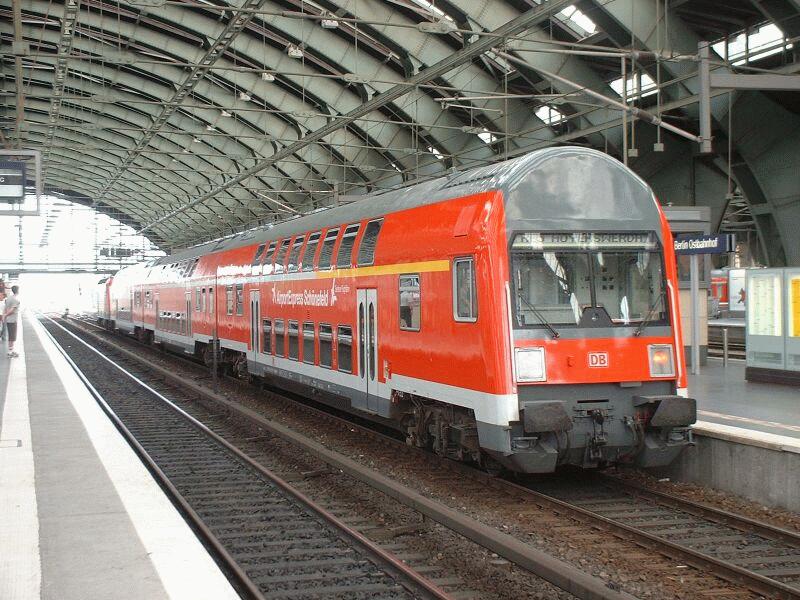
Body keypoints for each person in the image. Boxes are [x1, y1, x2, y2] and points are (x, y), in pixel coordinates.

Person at [4, 285, 20, 358]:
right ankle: (10, 352)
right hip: (12, 320)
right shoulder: (15, 300)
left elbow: (5, 308)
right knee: (12, 336)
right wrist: (6, 315)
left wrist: (5, 315)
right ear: (17, 291)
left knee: (11, 335)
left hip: (8, 320)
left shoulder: (8, 298)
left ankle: (11, 350)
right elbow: (12, 310)